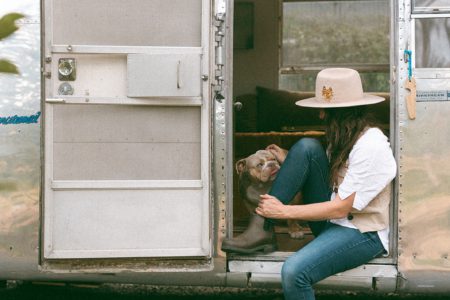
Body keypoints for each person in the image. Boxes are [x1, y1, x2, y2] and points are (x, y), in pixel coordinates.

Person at [225, 68, 397, 300]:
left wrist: (284, 211)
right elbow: (325, 171)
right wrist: (293, 159)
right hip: (334, 222)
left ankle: (263, 225)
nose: (320, 116)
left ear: (342, 113)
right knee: (306, 147)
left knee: (294, 272)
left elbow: (340, 207)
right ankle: (261, 230)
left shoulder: (371, 145)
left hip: (362, 232)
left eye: (325, 111)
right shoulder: (345, 137)